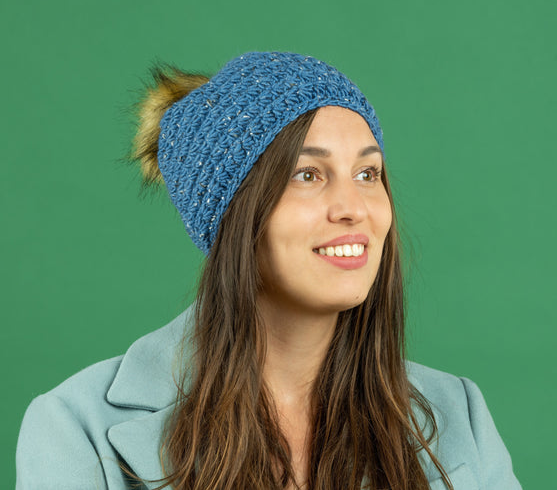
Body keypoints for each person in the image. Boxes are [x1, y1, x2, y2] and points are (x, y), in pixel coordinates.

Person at [16, 52, 522, 490]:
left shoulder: (460, 413)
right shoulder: (75, 427)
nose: (354, 207)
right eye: (308, 174)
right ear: (234, 213)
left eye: (368, 173)